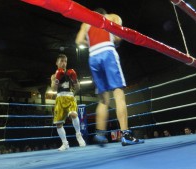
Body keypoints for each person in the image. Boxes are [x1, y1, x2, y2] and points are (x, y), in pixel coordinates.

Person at [75, 8, 144, 146]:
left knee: (103, 99)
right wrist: (114, 42)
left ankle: (100, 134)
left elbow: (78, 41)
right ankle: (125, 135)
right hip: (107, 52)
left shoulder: (86, 23)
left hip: (93, 57)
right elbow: (119, 36)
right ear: (103, 13)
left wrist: (93, 43)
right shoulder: (113, 17)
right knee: (118, 94)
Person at [51, 54, 86, 151]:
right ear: (57, 63)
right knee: (58, 124)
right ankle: (65, 143)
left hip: (70, 96)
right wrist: (57, 79)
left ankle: (79, 135)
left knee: (74, 114)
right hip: (59, 98)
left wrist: (74, 80)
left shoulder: (71, 73)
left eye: (65, 61)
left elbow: (78, 88)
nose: (64, 63)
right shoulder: (54, 76)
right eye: (61, 61)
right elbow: (53, 88)